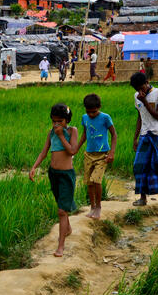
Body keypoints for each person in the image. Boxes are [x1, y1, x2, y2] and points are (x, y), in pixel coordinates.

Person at [28, 103, 79, 256]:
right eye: (54, 121)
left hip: (66, 175)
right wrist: (34, 167)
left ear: (67, 120)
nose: (56, 124)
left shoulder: (72, 131)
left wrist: (61, 135)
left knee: (61, 211)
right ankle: (67, 229)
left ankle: (60, 245)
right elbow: (44, 152)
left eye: (60, 121)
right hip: (53, 173)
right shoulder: (51, 133)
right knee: (60, 204)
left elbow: (72, 151)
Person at [129, 72, 158, 207]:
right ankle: (142, 197)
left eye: (141, 87)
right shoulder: (136, 97)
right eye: (137, 89)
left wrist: (145, 101)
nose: (140, 91)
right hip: (144, 134)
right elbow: (140, 117)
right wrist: (135, 138)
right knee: (139, 165)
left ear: (147, 82)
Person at [77, 93, 116, 220]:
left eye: (94, 112)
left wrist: (111, 153)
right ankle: (92, 206)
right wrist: (76, 148)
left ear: (99, 107)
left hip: (102, 154)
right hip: (89, 154)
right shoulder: (85, 118)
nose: (91, 114)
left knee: (96, 180)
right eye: (88, 112)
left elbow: (114, 135)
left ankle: (98, 207)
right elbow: (84, 134)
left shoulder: (105, 118)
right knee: (89, 182)